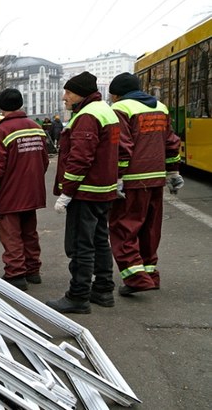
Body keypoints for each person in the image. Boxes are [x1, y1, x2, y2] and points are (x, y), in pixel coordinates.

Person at [47, 71, 119, 314]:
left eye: (68, 92)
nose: (64, 96)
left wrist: (67, 192)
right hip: (103, 191)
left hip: (85, 193)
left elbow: (80, 159)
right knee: (100, 240)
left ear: (81, 94)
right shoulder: (106, 111)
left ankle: (78, 296)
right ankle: (103, 290)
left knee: (81, 244)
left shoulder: (87, 116)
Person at [108, 72, 183, 296]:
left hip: (132, 179)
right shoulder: (160, 107)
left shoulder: (121, 109)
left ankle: (136, 279)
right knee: (150, 228)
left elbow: (123, 146)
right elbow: (171, 142)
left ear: (116, 94)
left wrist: (118, 176)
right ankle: (151, 274)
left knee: (124, 228)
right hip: (156, 178)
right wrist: (173, 171)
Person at [0, 89, 49, 291]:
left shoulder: (0, 132)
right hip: (32, 192)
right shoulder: (36, 128)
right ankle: (32, 270)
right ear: (20, 104)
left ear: (1, 106)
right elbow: (43, 161)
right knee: (29, 232)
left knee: (11, 235)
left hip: (10, 194)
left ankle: (16, 273)